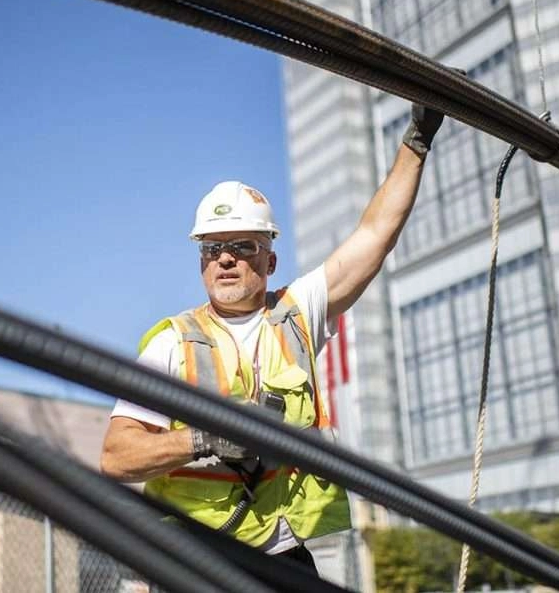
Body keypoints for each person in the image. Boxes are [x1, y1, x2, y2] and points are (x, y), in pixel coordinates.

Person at [100, 102, 445, 572]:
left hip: (280, 554)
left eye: (243, 246)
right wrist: (204, 439)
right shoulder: (173, 344)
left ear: (270, 261)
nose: (225, 258)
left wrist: (416, 142)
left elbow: (375, 235)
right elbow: (117, 458)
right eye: (212, 247)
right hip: (196, 558)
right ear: (200, 260)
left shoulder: (295, 314)